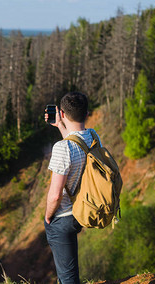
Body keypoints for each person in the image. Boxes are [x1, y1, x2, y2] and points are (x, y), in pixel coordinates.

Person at [44, 91, 102, 284]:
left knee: (68, 278)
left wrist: (48, 216)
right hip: (85, 210)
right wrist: (60, 125)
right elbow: (75, 142)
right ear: (87, 114)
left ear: (61, 112)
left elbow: (55, 196)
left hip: (64, 217)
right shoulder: (93, 137)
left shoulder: (62, 148)